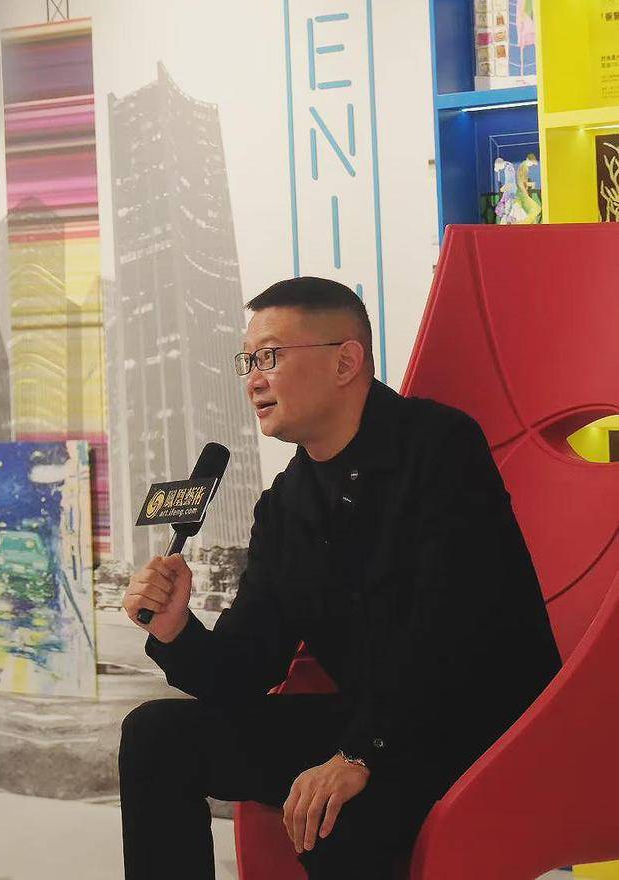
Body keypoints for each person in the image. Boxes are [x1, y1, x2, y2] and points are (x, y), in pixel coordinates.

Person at [119, 276, 562, 879]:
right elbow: (247, 671)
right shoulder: (285, 505)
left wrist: (358, 753)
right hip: (370, 724)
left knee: (335, 811)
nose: (253, 380)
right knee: (157, 736)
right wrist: (176, 630)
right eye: (248, 362)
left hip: (483, 730)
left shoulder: (439, 445)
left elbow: (448, 631)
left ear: (345, 362)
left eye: (270, 357)